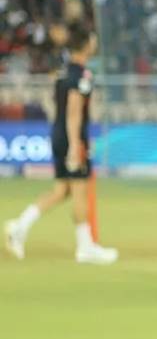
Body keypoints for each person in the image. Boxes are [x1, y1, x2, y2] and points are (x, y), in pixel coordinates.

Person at [5, 24, 118, 264]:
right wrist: (75, 146)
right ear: (86, 45)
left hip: (58, 133)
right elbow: (74, 113)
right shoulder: (81, 77)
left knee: (61, 190)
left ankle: (20, 226)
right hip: (71, 137)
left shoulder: (62, 72)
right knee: (79, 190)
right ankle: (85, 247)